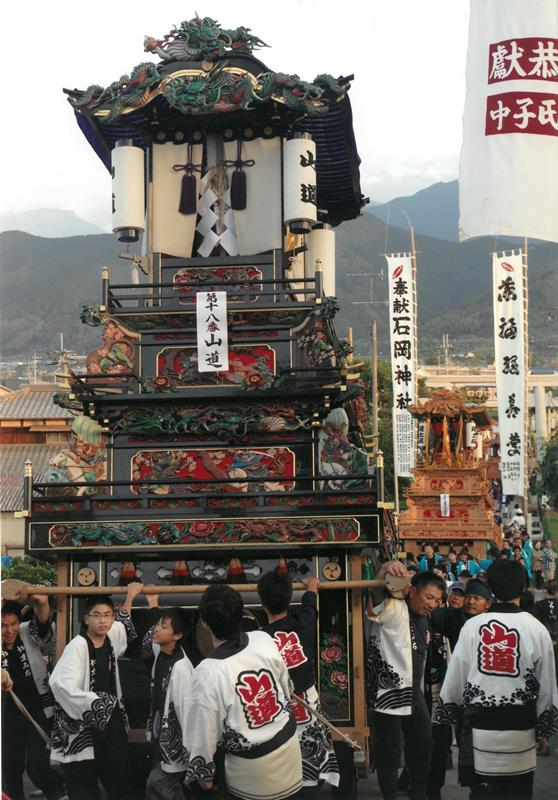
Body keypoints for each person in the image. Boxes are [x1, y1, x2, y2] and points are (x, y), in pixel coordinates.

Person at [436, 560, 558, 800]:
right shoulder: (536, 629)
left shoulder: (473, 626)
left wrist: (448, 712)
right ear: (523, 587)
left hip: (481, 725)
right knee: (519, 792)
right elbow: (547, 683)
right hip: (521, 725)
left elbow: (456, 675)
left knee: (483, 792)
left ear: (489, 586)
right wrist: (544, 729)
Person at [184, 584, 303, 800]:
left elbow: (202, 732)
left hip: (251, 775)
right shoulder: (263, 638)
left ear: (204, 622)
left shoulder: (208, 671)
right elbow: (287, 689)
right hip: (290, 756)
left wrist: (204, 777)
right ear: (241, 613)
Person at [49, 582, 143, 800]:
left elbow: (122, 623)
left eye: (108, 615)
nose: (103, 620)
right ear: (86, 618)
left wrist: (130, 596)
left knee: (119, 777)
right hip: (83, 722)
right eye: (97, 615)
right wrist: (96, 704)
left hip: (111, 720)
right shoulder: (78, 646)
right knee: (84, 784)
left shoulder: (111, 635)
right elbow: (59, 683)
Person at [366, 561, 446, 800]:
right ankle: (389, 796)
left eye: (437, 600)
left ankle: (417, 792)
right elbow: (377, 590)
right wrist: (386, 567)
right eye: (429, 597)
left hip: (413, 692)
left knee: (423, 743)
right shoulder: (393, 607)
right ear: (412, 591)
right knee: (389, 750)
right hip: (387, 691)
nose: (432, 604)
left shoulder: (425, 619)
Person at [257, 571, 339, 796]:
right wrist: (311, 586)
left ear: (262, 604)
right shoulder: (303, 624)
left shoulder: (259, 639)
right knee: (310, 762)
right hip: (307, 703)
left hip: (281, 708)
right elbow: (310, 606)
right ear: (288, 597)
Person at [1, 596, 66, 800]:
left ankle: (57, 792)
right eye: (3, 626)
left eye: (13, 624)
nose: (9, 631)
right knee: (10, 769)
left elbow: (44, 626)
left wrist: (43, 603)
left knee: (38, 767)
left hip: (37, 712)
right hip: (6, 717)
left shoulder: (27, 631)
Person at [142, 595, 194, 800]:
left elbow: (186, 712)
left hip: (176, 741)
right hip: (159, 735)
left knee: (156, 784)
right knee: (171, 789)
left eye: (164, 627)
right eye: (158, 625)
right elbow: (148, 640)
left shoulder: (181, 668)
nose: (157, 629)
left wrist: (193, 754)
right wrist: (153, 605)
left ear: (177, 635)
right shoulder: (160, 650)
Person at [534, 580, 558, 756]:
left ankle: (544, 741)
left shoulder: (539, 605)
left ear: (544, 590)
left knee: (545, 693)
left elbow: (537, 629)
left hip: (546, 648)